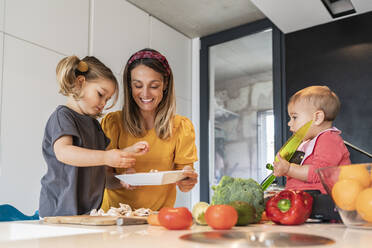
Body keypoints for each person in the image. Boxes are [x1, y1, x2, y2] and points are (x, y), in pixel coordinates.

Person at [39, 56, 148, 217]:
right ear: (80, 82)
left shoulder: (95, 126)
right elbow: (64, 152)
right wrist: (106, 157)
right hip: (57, 213)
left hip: (87, 215)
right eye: (100, 94)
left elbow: (102, 173)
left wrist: (122, 177)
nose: (104, 103)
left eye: (107, 99)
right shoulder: (63, 117)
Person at [101, 48, 198, 211]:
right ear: (129, 85)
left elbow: (184, 184)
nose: (145, 94)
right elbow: (101, 178)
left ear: (165, 85)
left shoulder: (182, 127)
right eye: (138, 85)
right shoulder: (113, 123)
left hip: (158, 219)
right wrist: (122, 180)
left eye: (154, 86)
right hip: (114, 217)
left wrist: (188, 179)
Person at [273, 85, 350, 194]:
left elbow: (319, 173)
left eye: (294, 117)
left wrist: (289, 169)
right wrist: (284, 168)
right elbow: (299, 171)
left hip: (324, 201)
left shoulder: (329, 139)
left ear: (317, 118)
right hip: (300, 200)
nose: (289, 123)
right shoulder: (306, 142)